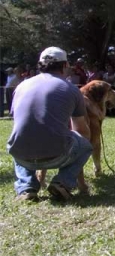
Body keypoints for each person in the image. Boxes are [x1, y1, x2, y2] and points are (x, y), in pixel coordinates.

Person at [6, 47, 92, 201]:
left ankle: (26, 187)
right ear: (65, 65)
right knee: (86, 146)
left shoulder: (20, 87)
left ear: (40, 64)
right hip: (56, 155)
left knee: (20, 141)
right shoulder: (71, 90)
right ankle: (62, 182)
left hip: (22, 155)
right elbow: (82, 131)